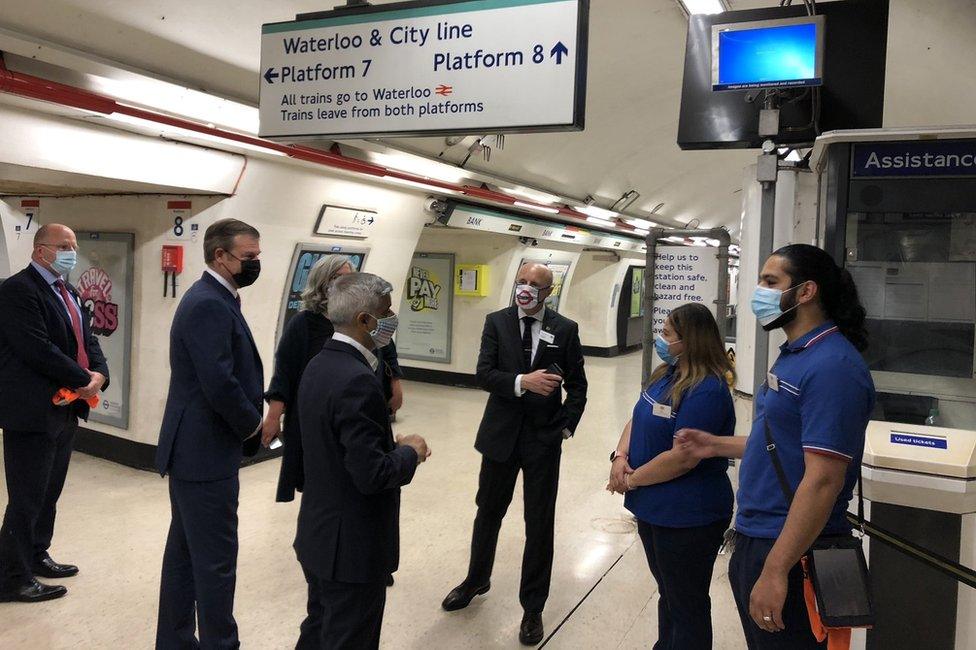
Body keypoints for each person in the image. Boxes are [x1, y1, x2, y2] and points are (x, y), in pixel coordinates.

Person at [677, 244, 875, 650]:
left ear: (805, 292)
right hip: (759, 532)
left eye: (771, 282)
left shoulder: (832, 367)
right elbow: (782, 442)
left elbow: (823, 480)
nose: (759, 291)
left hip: (791, 546)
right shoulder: (795, 354)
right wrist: (714, 445)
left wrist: (774, 570)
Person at [442, 262, 588, 646]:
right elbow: (484, 373)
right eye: (521, 281)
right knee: (488, 510)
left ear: (548, 292)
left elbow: (578, 386)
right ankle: (476, 579)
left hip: (543, 439)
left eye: (534, 284)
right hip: (500, 436)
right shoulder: (497, 322)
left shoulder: (565, 329)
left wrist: (566, 425)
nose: (525, 289)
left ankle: (533, 607)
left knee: (538, 522)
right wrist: (524, 382)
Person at [293, 272, 430, 649]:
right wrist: (409, 452)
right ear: (364, 321)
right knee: (350, 636)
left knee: (319, 628)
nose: (391, 320)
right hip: (351, 548)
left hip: (318, 535)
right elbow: (371, 474)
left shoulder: (319, 364)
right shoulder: (356, 379)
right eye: (386, 313)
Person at [155, 218, 265, 649]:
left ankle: (176, 640)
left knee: (184, 557)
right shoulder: (208, 303)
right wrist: (255, 426)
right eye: (249, 257)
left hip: (195, 452)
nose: (255, 264)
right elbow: (218, 382)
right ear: (220, 255)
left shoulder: (219, 298)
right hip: (203, 455)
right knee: (216, 562)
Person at [607, 303, 735, 650]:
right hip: (653, 506)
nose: (661, 340)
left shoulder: (706, 389)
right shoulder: (667, 372)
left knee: (687, 601)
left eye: (667, 334)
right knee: (670, 592)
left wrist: (631, 480)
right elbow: (638, 415)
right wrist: (620, 456)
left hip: (688, 514)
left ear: (690, 340)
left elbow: (683, 458)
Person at [0, 224, 109, 603]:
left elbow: (87, 339)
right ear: (40, 250)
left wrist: (99, 376)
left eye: (74, 246)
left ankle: (36, 554)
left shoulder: (69, 292)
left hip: (67, 409)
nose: (71, 252)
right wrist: (83, 379)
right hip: (31, 412)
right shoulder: (16, 291)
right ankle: (12, 577)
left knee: (49, 492)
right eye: (63, 246)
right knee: (27, 497)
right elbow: (37, 348)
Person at [261, 255, 405, 503]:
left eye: (350, 276)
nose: (346, 282)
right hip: (319, 410)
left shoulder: (363, 317)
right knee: (324, 473)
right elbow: (285, 372)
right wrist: (274, 416)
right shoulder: (304, 324)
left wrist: (395, 384)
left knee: (364, 463)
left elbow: (386, 350)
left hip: (362, 408)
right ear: (322, 284)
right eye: (339, 277)